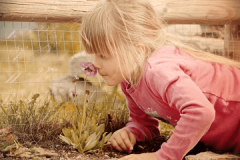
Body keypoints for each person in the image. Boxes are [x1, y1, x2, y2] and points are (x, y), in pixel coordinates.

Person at [80, 0, 240, 159]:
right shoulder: (129, 80)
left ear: (138, 51)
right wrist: (132, 131)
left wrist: (162, 157)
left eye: (103, 56)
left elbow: (201, 112)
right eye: (94, 54)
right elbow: (145, 124)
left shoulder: (158, 71)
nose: (95, 64)